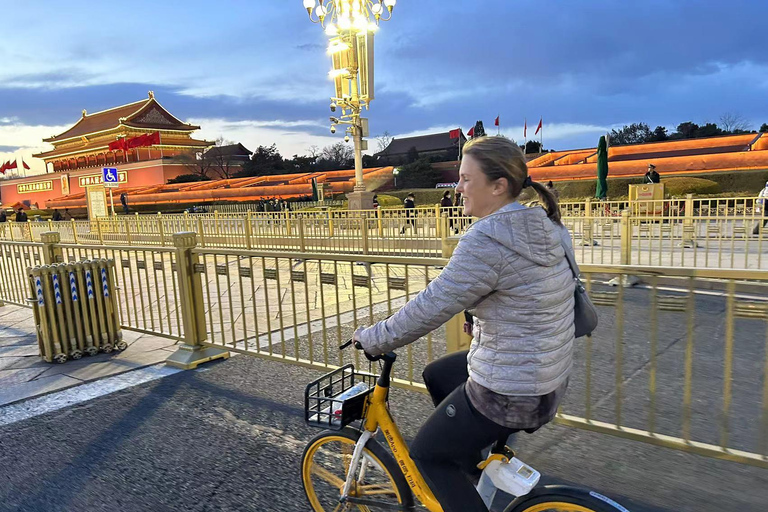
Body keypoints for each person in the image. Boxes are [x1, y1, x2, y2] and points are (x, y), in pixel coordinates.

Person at [353, 136, 575, 511]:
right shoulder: (546, 225)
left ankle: (456, 479)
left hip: (511, 388)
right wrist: (479, 314)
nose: (458, 188)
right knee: (439, 373)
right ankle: (471, 471)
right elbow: (531, 291)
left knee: (427, 455)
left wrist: (373, 338)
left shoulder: (487, 238)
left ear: (498, 186)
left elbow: (430, 306)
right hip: (547, 375)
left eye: (466, 179)